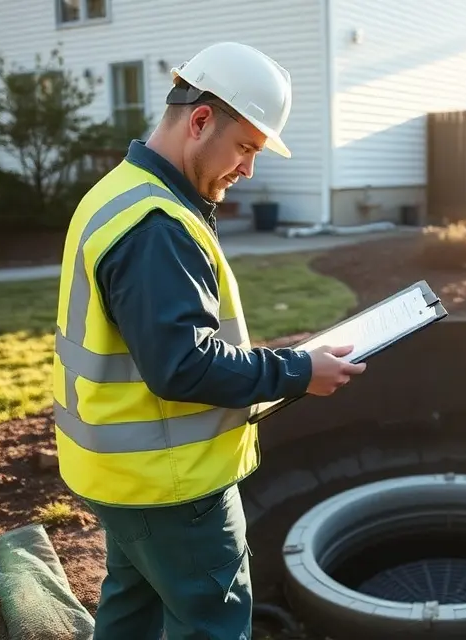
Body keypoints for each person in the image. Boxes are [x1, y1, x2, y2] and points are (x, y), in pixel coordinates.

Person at [50, 42, 366, 640]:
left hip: (124, 478)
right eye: (246, 147)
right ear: (199, 121)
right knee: (212, 625)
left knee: (134, 610)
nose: (249, 169)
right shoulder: (157, 227)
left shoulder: (119, 193)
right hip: (174, 486)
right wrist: (300, 371)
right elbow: (183, 365)